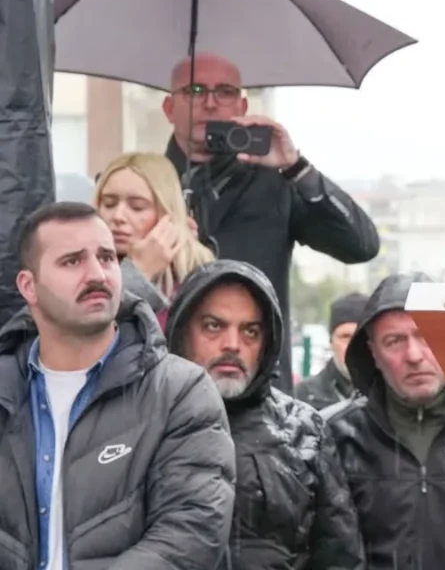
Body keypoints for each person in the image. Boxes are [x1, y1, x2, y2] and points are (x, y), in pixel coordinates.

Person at [0, 201, 234, 569]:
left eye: (107, 258)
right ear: (29, 286)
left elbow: (190, 533)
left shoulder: (180, 392)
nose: (97, 274)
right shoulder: (7, 388)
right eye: (72, 261)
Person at [162, 52, 381, 390]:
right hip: (167, 386)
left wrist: (296, 168)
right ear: (168, 108)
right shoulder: (140, 188)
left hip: (259, 387)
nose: (209, 102)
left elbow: (361, 245)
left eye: (224, 92)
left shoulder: (274, 184)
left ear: (242, 106)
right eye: (194, 90)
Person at [166, 259, 364, 569]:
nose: (233, 345)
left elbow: (339, 557)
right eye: (214, 326)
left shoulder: (305, 431)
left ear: (267, 342)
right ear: (182, 332)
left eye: (250, 331)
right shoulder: (148, 420)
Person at [324, 273, 445, 570]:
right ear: (373, 353)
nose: (414, 355)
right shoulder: (339, 436)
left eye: (427, 336)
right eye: (394, 341)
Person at [95, 151, 216, 327]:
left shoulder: (199, 276)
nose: (118, 216)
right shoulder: (82, 267)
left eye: (137, 207)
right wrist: (139, 273)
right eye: (109, 204)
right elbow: (90, 331)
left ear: (167, 213)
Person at [295, 292, 366, 411]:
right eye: (345, 337)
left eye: (361, 337)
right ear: (331, 341)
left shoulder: (390, 394)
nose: (353, 346)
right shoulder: (304, 396)